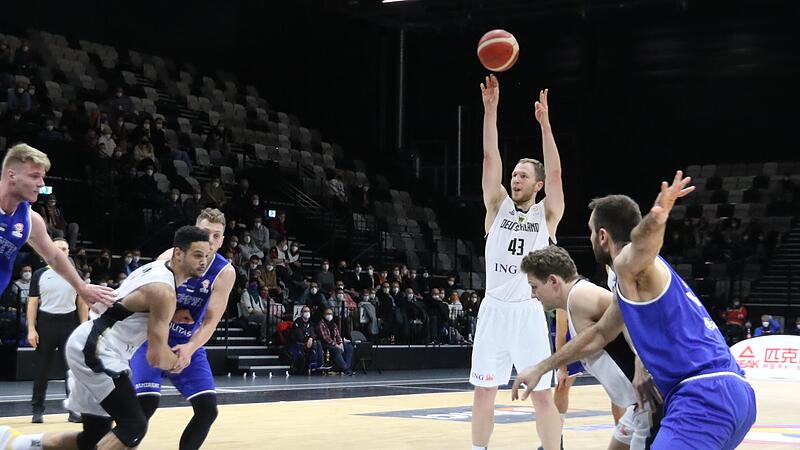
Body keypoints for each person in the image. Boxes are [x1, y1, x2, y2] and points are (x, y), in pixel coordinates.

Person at [512, 172, 757, 449]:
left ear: (603, 236)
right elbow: (599, 334)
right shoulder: (624, 287)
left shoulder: (630, 264)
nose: (590, 237)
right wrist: (542, 368)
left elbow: (642, 245)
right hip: (724, 393)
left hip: (703, 397)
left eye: (592, 231)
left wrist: (656, 217)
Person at [1, 226, 210, 450]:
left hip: (89, 341)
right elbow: (156, 357)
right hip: (97, 349)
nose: (204, 262)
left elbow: (131, 303)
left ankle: (16, 443)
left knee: (92, 438)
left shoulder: (156, 268)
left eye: (207, 256)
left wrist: (169, 314)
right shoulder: (164, 292)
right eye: (197, 255)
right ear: (178, 253)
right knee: (134, 427)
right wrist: (180, 358)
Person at [472, 75, 565, 450]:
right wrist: (490, 110)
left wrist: (545, 125)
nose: (515, 179)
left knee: (542, 396)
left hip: (527, 313)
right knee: (483, 393)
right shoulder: (496, 206)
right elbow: (490, 157)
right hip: (493, 310)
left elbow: (556, 172)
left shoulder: (548, 215)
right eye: (514, 175)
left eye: (523, 175)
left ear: (537, 184)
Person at [520, 246, 655, 449]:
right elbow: (591, 341)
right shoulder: (573, 303)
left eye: (534, 286)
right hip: (635, 407)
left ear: (553, 281)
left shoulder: (581, 295)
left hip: (651, 402)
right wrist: (542, 368)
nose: (532, 295)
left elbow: (636, 314)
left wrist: (641, 360)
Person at [130, 209, 235, 450]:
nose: (211, 240)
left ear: (222, 239)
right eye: (206, 233)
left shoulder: (224, 272)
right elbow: (142, 296)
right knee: (145, 406)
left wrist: (189, 348)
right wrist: (170, 310)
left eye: (216, 235)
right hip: (153, 337)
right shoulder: (170, 257)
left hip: (187, 341)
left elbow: (211, 321)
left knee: (208, 410)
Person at [0, 144, 114, 304]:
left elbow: (54, 257)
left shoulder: (31, 220)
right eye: (34, 176)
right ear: (11, 175)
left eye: (42, 177)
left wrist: (82, 287)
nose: (41, 183)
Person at [27, 239, 88, 424]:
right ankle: (37, 410)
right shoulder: (39, 274)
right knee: (42, 370)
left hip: (68, 323)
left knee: (72, 370)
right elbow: (33, 302)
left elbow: (82, 301)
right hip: (46, 323)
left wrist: (84, 326)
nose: (62, 251)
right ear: (51, 249)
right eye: (59, 248)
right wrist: (31, 328)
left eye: (65, 249)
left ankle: (74, 410)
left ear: (69, 252)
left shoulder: (75, 274)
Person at [316, 307, 354, 375]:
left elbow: (338, 335)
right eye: (327, 313)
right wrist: (337, 345)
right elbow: (326, 338)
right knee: (336, 349)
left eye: (331, 314)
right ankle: (345, 369)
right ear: (324, 315)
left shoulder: (333, 324)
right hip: (324, 344)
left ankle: (347, 367)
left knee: (349, 347)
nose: (329, 315)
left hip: (334, 343)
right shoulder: (321, 324)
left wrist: (341, 343)